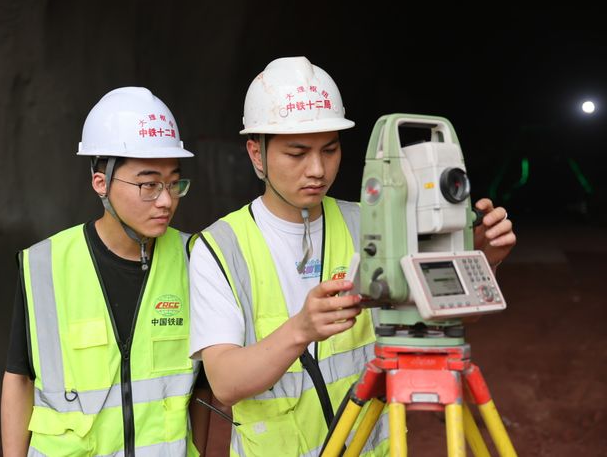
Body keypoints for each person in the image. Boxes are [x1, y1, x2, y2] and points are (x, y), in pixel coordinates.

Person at [188, 57, 517, 456]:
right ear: (257, 154)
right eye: (297, 153)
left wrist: (481, 258)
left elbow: (442, 316)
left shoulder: (372, 223)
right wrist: (301, 330)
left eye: (330, 150)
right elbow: (225, 383)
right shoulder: (219, 247)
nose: (317, 169)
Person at [0, 87, 208, 456]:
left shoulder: (197, 260)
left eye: (174, 183)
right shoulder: (45, 265)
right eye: (149, 185)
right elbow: (19, 378)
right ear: (101, 182)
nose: (166, 200)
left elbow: (204, 390)